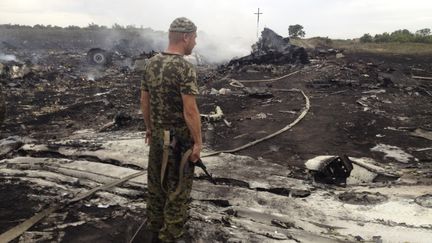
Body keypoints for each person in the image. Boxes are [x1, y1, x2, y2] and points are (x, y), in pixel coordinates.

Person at [140, 17, 202, 243]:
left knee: (156, 186)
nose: (195, 42)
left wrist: (149, 128)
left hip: (156, 136)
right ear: (185, 37)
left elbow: (144, 101)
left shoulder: (151, 63)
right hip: (179, 142)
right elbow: (190, 111)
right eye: (194, 37)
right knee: (177, 192)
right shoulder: (185, 68)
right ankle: (171, 236)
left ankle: (155, 231)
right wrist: (197, 143)